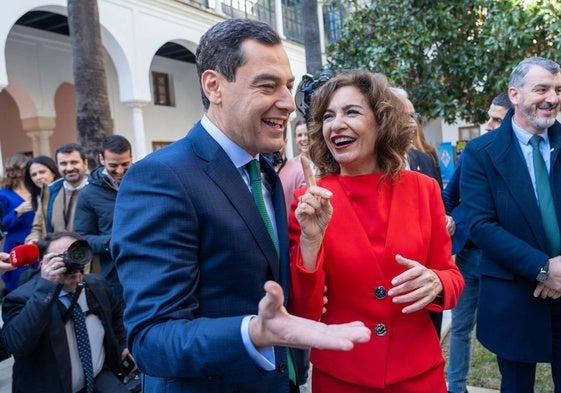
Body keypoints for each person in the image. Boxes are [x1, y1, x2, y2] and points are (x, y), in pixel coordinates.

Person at [111, 18, 371, 393]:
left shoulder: (262, 171)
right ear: (214, 86)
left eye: (288, 87)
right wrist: (253, 333)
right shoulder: (160, 178)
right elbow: (152, 339)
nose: (287, 103)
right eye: (267, 86)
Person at [288, 69, 464, 392]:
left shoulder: (424, 190)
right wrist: (311, 242)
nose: (336, 124)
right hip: (342, 377)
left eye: (351, 111)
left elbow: (453, 277)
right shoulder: (310, 202)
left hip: (418, 375)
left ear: (381, 121)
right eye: (328, 116)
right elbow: (304, 312)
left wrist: (436, 282)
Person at [461, 57, 561, 392]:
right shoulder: (480, 152)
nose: (552, 98)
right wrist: (543, 268)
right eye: (542, 89)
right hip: (514, 295)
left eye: (558, 90)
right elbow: (481, 225)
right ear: (514, 94)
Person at [1, 231, 133, 392]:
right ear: (43, 264)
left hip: (100, 379)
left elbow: (117, 319)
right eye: (60, 256)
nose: (71, 261)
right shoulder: (21, 298)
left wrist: (124, 344)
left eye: (76, 253)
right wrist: (47, 288)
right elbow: (16, 344)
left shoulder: (97, 285)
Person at [444, 92, 511, 393]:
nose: (487, 125)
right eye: (489, 117)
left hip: (504, 262)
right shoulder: (473, 151)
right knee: (460, 328)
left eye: (496, 119)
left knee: (504, 331)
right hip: (469, 258)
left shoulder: (522, 159)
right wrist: (447, 218)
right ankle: (456, 388)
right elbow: (449, 195)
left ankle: (511, 384)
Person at [74, 135, 132, 307]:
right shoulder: (89, 194)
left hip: (149, 265)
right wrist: (111, 242)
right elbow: (82, 237)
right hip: (115, 274)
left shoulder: (143, 180)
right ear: (101, 159)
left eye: (125, 164)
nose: (120, 171)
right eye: (113, 165)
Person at [25, 143, 89, 244]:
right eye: (63, 163)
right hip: (55, 257)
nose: (69, 168)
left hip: (90, 257)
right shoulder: (50, 192)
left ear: (85, 164)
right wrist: (33, 240)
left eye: (74, 162)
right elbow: (37, 228)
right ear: (57, 166)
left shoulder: (98, 190)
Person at [0, 154, 36, 292]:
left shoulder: (35, 189)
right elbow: (2, 225)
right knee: (19, 285)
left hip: (36, 243)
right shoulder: (3, 194)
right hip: (16, 245)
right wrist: (17, 212)